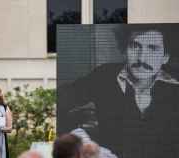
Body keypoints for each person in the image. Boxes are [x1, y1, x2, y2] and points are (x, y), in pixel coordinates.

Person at [58, 24, 179, 158]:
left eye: (153, 49)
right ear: (124, 49)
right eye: (134, 46)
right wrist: (82, 140)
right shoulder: (104, 76)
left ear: (165, 57)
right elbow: (59, 102)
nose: (142, 58)